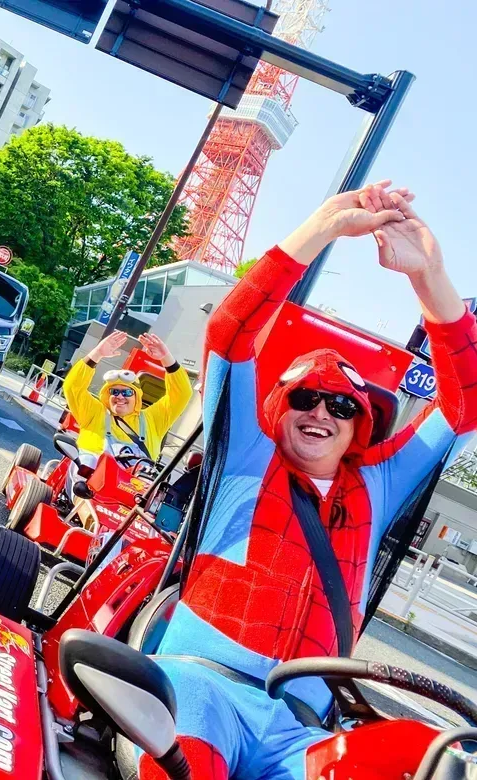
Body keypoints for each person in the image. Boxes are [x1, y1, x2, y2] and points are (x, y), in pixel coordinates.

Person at [134, 182, 477, 780]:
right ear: (277, 407)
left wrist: (430, 277)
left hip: (301, 731)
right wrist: (322, 227)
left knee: (430, 761)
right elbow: (230, 333)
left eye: (341, 405)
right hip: (199, 688)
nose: (322, 412)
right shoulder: (247, 454)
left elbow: (464, 405)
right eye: (306, 397)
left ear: (360, 424)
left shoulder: (379, 485)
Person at [64, 330, 192, 465]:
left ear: (137, 397)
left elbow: (182, 393)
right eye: (114, 391)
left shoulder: (153, 420)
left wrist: (166, 358)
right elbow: (72, 387)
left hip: (134, 479)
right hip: (88, 478)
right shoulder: (94, 412)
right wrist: (97, 353)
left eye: (127, 393)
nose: (119, 396)